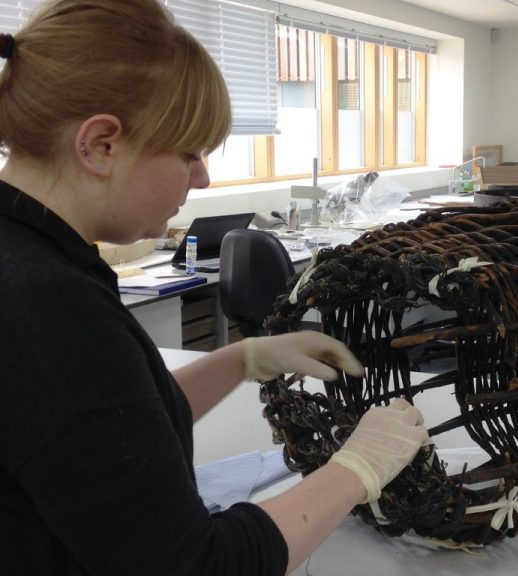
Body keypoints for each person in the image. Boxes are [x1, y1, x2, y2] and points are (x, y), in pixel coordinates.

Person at [0, 1, 427, 575]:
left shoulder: (29, 259)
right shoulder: (48, 304)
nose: (202, 178)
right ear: (101, 144)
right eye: (189, 153)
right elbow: (195, 566)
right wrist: (356, 471)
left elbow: (96, 437)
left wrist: (239, 360)